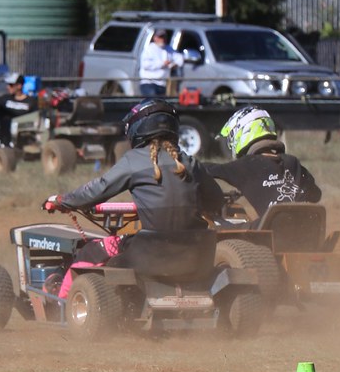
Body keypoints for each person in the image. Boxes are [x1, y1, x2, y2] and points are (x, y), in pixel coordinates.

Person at [43, 99, 223, 296]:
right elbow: (216, 199)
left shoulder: (133, 160)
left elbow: (96, 190)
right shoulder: (190, 162)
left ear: (137, 128)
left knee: (91, 250)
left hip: (151, 255)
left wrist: (61, 201)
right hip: (195, 256)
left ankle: (62, 302)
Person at [207, 106, 321, 220]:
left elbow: (208, 169)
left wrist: (189, 163)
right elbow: (316, 195)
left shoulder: (245, 165)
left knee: (223, 225)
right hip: (309, 228)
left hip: (274, 231)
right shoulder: (293, 162)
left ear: (241, 132)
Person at [0, 72, 34, 146]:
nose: (8, 87)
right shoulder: (4, 99)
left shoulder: (30, 101)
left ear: (19, 86)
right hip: (6, 131)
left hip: (23, 131)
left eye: (11, 85)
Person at [138, 29, 177, 97]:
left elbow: (178, 57)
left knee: (162, 105)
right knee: (153, 103)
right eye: (160, 37)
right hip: (149, 83)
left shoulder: (168, 49)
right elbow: (145, 65)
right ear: (155, 38)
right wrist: (162, 64)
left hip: (162, 84)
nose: (162, 39)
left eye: (164, 37)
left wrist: (174, 64)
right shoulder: (149, 49)